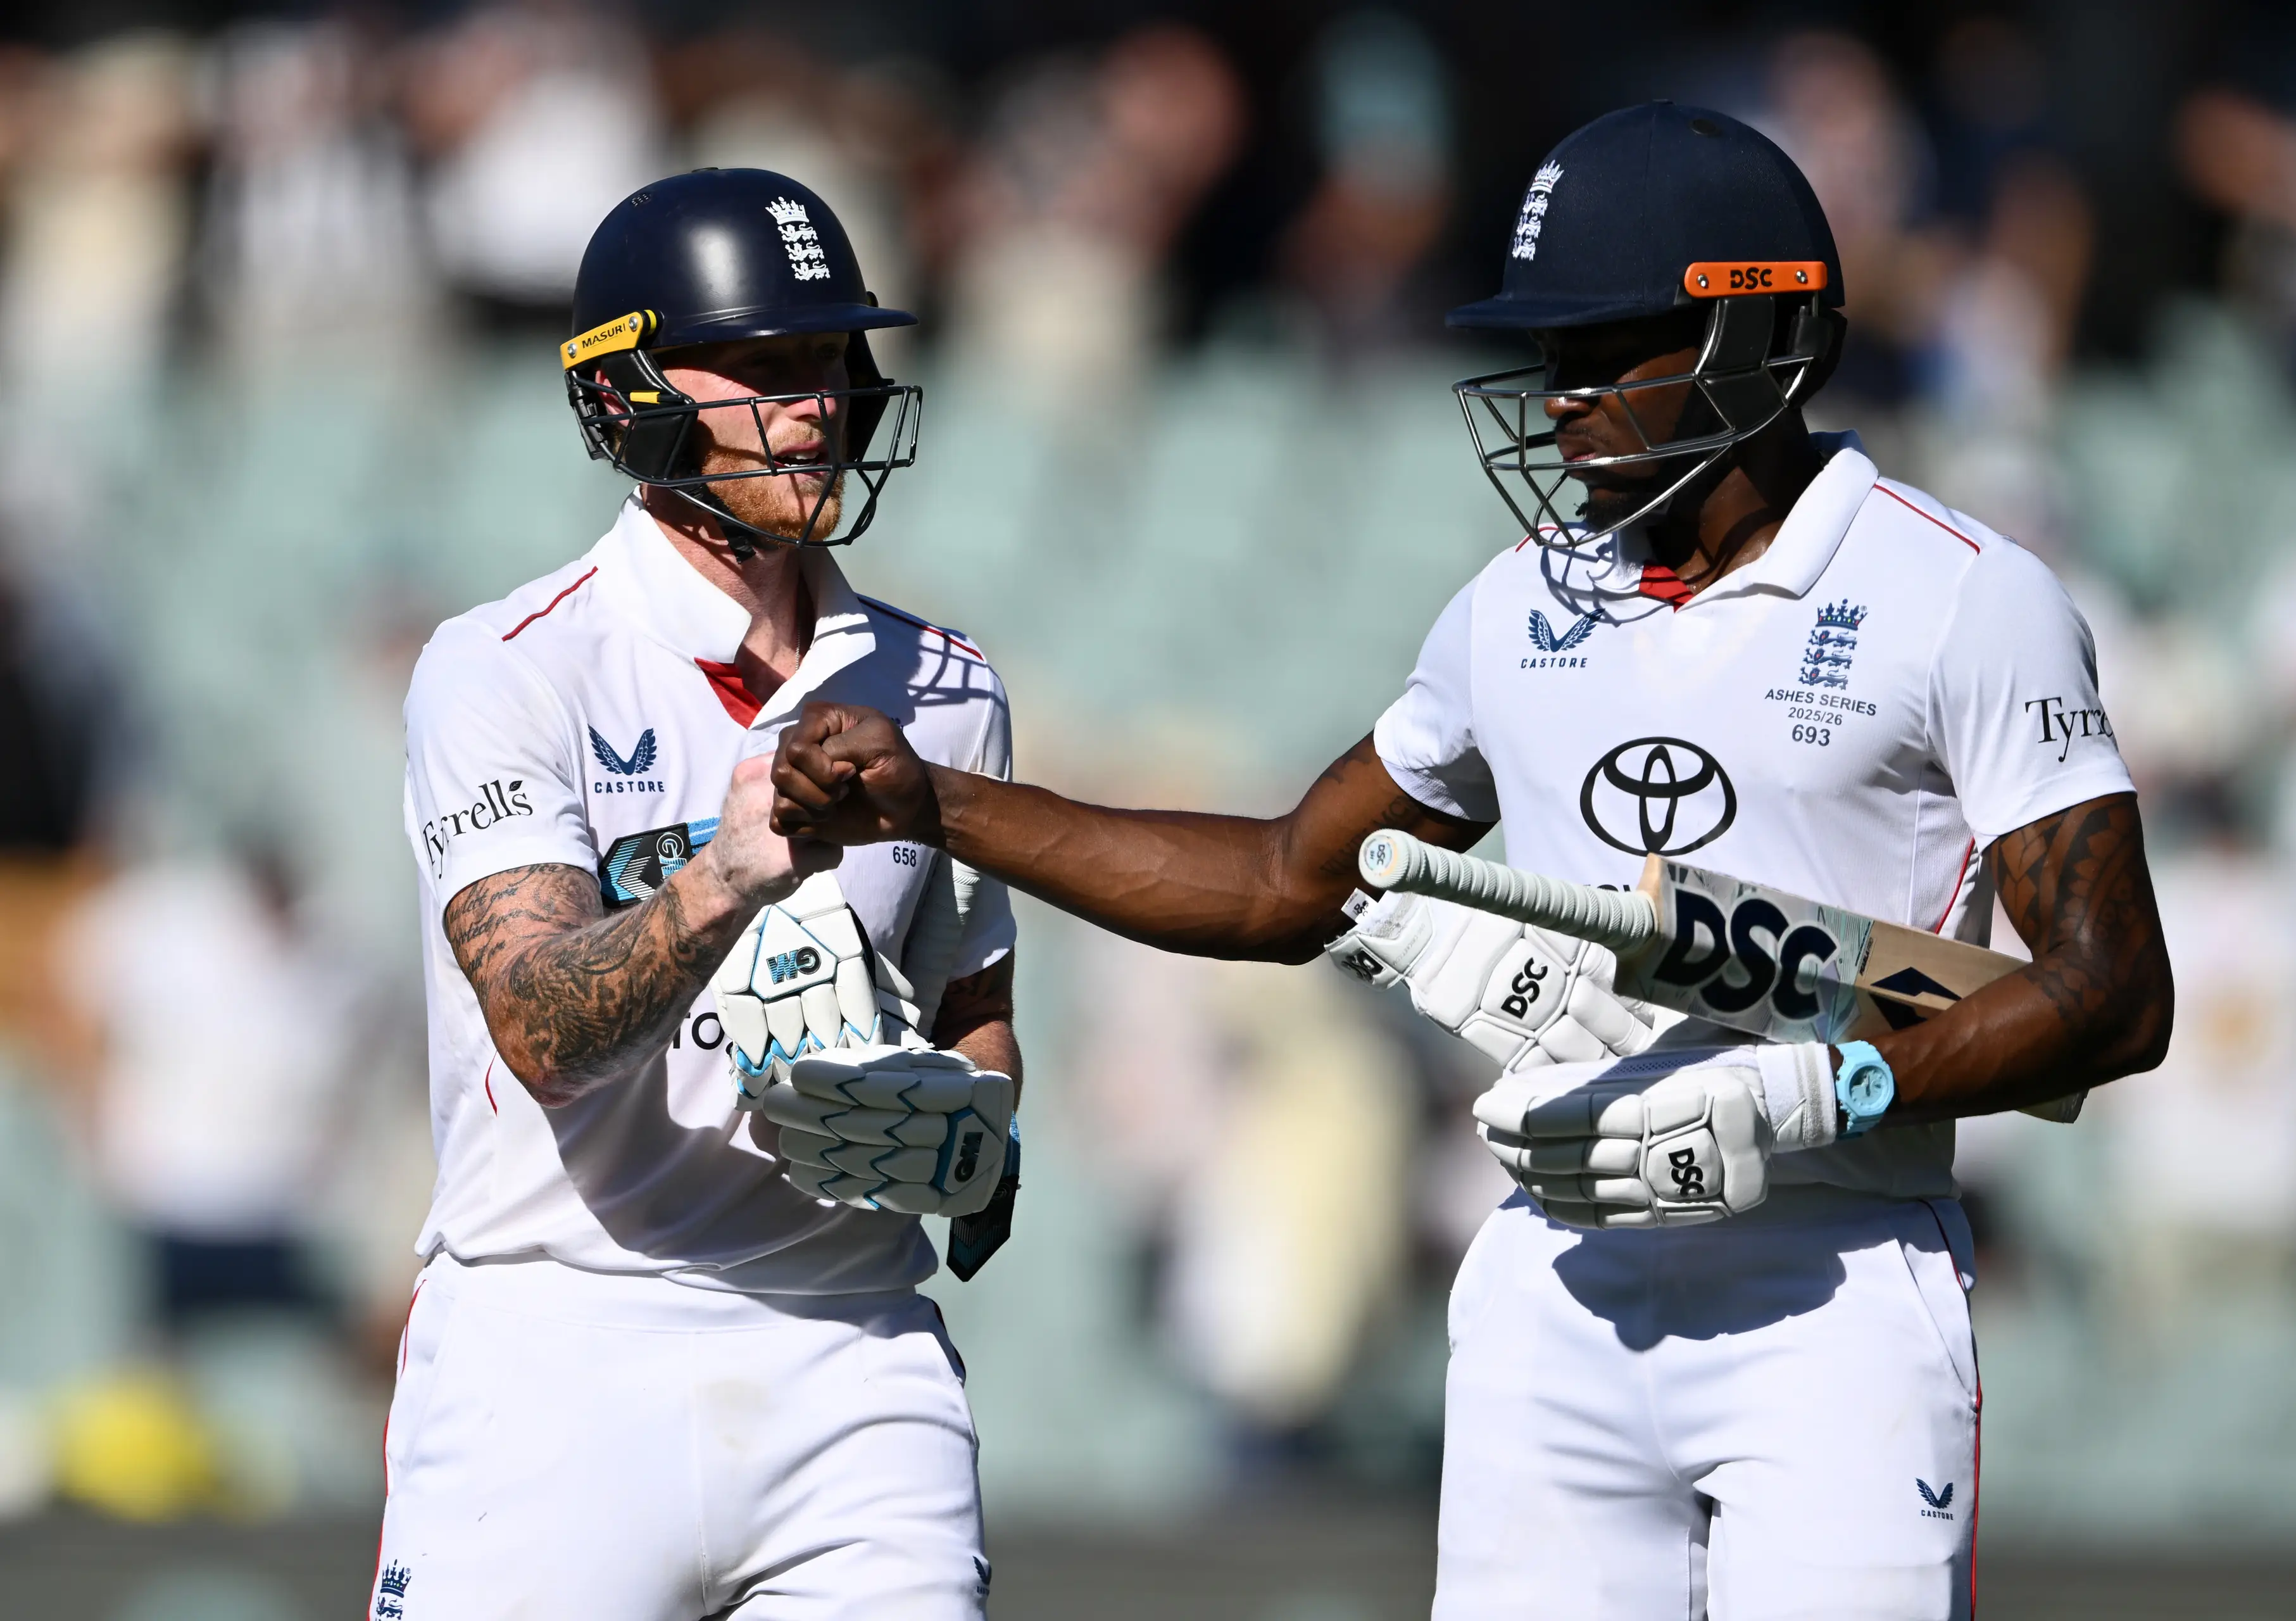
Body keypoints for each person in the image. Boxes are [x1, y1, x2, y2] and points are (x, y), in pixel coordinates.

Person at [767, 106, 2173, 1620]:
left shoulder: (1961, 595)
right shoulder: (1517, 606)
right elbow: (1282, 885)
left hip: (1832, 1284)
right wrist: (942, 805)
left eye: (1608, 345)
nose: (1559, 396)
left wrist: (1809, 1092)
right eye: (1547, 352)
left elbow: (2113, 993)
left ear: (1764, 333)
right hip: (1555, 1279)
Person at [373, 168, 1018, 1620]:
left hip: (857, 1359)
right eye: (774, 367)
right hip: (559, 1344)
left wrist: (977, 1132)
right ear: (629, 394)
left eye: (838, 366)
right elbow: (539, 1024)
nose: (820, 405)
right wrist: (729, 872)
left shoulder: (951, 686)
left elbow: (978, 999)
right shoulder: (506, 665)